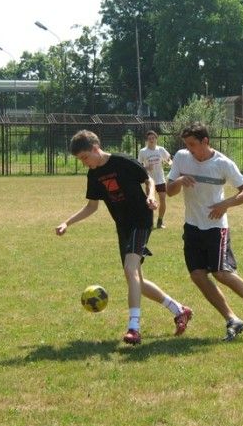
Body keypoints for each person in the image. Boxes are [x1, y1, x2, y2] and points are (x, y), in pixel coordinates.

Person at [55, 130, 192, 345]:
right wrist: (67, 222)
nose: (84, 163)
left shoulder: (122, 161)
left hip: (141, 220)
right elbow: (91, 206)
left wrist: (150, 196)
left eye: (84, 157)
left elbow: (148, 179)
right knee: (136, 280)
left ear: (95, 149)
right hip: (123, 226)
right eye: (80, 160)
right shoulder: (93, 175)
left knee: (130, 269)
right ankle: (179, 310)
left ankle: (133, 328)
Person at [166, 122, 243, 341]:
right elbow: (169, 191)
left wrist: (226, 204)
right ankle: (232, 319)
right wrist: (179, 181)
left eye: (192, 144)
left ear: (205, 141)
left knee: (221, 272)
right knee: (197, 275)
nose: (189, 149)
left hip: (216, 227)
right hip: (192, 226)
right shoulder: (182, 158)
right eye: (186, 144)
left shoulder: (222, 163)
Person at [138, 130, 173, 229]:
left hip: (160, 179)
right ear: (147, 140)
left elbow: (169, 160)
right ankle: (149, 222)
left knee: (162, 199)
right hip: (149, 181)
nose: (151, 140)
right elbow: (138, 166)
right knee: (150, 202)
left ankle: (160, 221)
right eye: (149, 138)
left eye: (153, 138)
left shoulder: (160, 149)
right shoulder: (143, 151)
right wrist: (146, 168)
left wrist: (171, 164)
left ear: (156, 139)